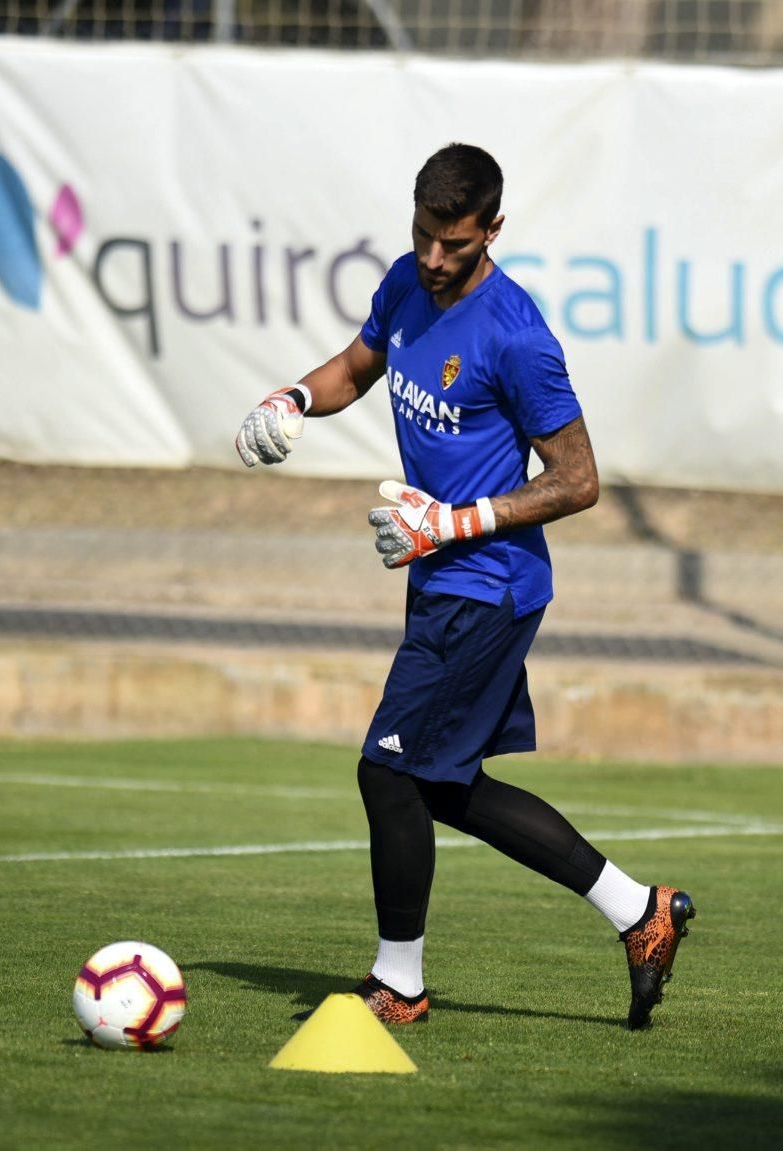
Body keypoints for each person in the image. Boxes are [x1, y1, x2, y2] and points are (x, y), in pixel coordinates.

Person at [236, 143, 695, 1031]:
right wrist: (291, 397)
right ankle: (641, 912)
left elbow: (578, 479)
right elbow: (354, 368)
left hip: (489, 584)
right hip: (443, 580)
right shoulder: (407, 284)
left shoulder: (517, 335)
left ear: (492, 230)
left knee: (386, 771)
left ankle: (398, 983)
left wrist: (450, 523)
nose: (435, 259)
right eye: (423, 237)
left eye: (455, 243)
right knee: (440, 785)